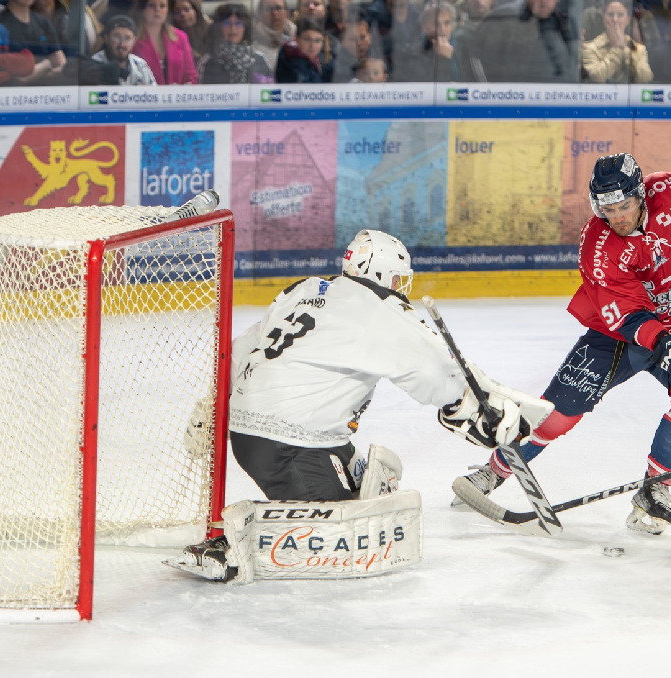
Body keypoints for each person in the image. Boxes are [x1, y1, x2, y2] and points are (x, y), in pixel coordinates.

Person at [174, 230, 548, 579]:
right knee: (350, 533)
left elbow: (241, 351)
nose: (400, 287)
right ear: (382, 273)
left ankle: (314, 493)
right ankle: (238, 541)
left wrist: (211, 406)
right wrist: (469, 410)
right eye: (399, 278)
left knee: (369, 482)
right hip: (295, 445)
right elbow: (431, 367)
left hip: (251, 435)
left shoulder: (305, 288)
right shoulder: (378, 305)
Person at [452, 152, 671, 536]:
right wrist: (664, 343)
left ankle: (656, 491)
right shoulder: (598, 244)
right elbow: (626, 315)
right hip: (618, 334)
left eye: (624, 206)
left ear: (641, 194)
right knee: (558, 414)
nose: (617, 216)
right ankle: (494, 471)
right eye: (607, 208)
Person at [458, 0, 577, 83]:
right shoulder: (502, 18)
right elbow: (476, 61)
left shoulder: (565, 23)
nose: (544, 1)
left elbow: (570, 66)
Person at [0, 0, 68, 84]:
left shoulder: (43, 23)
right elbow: (18, 78)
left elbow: (62, 65)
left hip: (49, 93)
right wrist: (46, 64)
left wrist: (40, 70)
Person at [197, 3, 273, 83]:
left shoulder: (259, 59)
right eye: (227, 24)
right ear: (219, 28)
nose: (233, 28)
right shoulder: (208, 62)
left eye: (238, 24)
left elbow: (269, 91)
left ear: (245, 28)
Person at [581, 0, 651, 83]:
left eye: (620, 15)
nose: (615, 20)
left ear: (628, 20)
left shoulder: (638, 48)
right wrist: (617, 50)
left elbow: (645, 79)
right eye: (610, 15)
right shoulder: (589, 48)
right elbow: (595, 78)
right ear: (604, 19)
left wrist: (624, 50)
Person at [131, 0, 196, 83]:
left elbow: (190, 76)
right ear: (142, 9)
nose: (157, 10)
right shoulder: (133, 39)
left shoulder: (181, 37)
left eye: (162, 6)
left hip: (177, 95)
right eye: (151, 5)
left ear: (167, 10)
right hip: (146, 95)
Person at [390, 0, 455, 81]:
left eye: (447, 23)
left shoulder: (460, 46)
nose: (442, 29)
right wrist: (443, 59)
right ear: (424, 27)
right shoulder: (412, 54)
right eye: (436, 24)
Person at [91, 13, 157, 83]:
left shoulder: (140, 66)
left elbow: (154, 92)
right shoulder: (94, 65)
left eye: (127, 38)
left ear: (134, 40)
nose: (122, 44)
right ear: (106, 38)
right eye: (117, 37)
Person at [274, 15, 325, 81]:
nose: (312, 45)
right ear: (296, 39)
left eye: (317, 40)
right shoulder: (295, 65)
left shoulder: (314, 60)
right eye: (307, 39)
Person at [252, 0, 294, 71]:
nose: (274, 13)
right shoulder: (252, 42)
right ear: (259, 14)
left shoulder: (298, 37)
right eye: (268, 9)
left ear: (287, 13)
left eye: (278, 8)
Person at [169, 0, 209, 67]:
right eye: (177, 12)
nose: (182, 14)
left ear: (196, 11)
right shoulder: (171, 37)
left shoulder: (209, 31)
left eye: (187, 10)